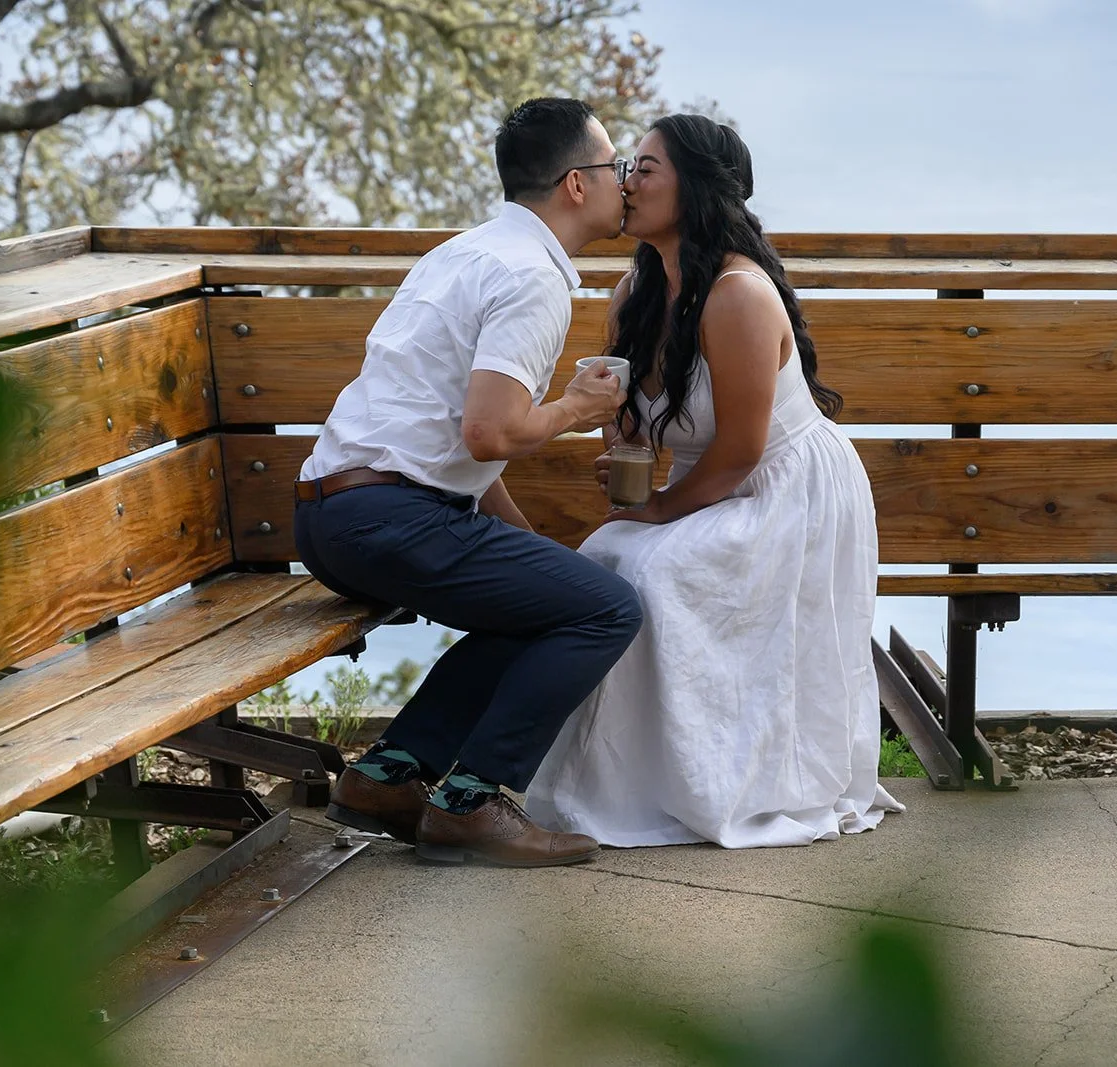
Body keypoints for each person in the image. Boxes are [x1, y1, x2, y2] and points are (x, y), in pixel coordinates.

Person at [524, 115, 904, 848]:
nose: (626, 183)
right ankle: (621, 783)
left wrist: (657, 509)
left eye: (644, 169)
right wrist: (621, 440)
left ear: (694, 189)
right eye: (626, 167)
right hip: (716, 482)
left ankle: (712, 782)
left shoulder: (738, 295)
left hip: (784, 488)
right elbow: (639, 414)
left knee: (648, 569)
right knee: (605, 559)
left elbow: (737, 452)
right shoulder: (637, 287)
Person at [294, 97, 641, 868]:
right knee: (609, 608)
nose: (625, 183)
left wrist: (530, 551)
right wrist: (578, 409)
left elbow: (457, 444)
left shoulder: (463, 252)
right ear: (576, 186)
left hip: (330, 516)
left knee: (551, 602)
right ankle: (472, 800)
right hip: (389, 518)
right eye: (614, 168)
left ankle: (388, 776)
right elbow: (491, 431)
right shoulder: (533, 278)